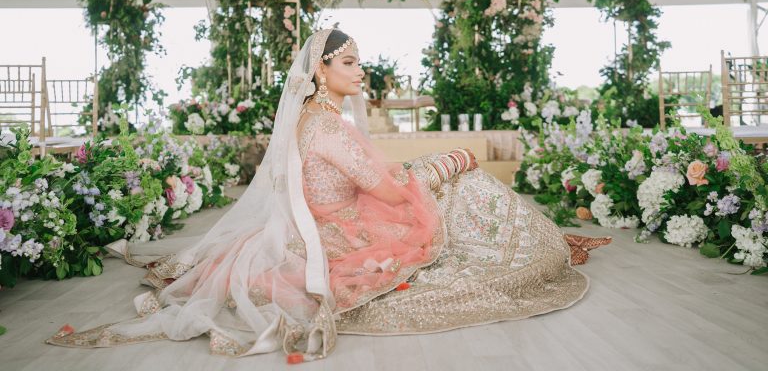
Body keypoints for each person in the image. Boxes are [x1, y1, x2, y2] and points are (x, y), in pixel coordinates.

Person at [47, 28, 610, 362]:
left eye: (359, 61)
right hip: (342, 228)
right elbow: (390, 192)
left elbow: (377, 176)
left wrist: (433, 167)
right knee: (467, 176)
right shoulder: (326, 126)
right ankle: (537, 245)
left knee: (452, 176)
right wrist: (450, 161)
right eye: (349, 63)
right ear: (320, 70)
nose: (360, 71)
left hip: (338, 211)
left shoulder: (317, 119)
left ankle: (533, 235)